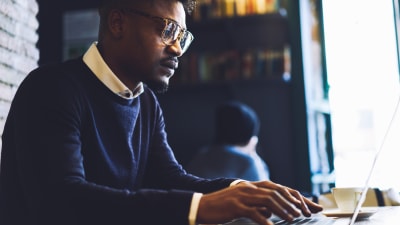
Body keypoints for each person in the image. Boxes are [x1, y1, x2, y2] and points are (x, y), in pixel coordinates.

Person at [0, 0, 323, 225]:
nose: (178, 48)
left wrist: (242, 189)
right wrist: (198, 207)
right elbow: (63, 202)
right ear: (117, 23)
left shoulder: (146, 103)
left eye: (182, 37)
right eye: (168, 30)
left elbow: (170, 178)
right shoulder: (51, 88)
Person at [187, 100, 270, 181]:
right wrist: (254, 156)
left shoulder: (201, 155)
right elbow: (268, 191)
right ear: (250, 139)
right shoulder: (248, 163)